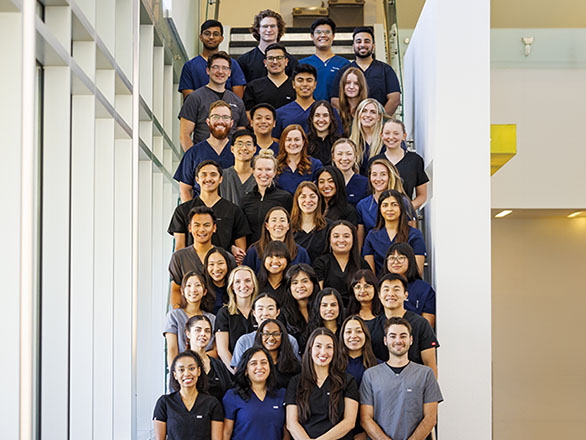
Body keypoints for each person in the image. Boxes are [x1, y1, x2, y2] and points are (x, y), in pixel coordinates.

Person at [360, 317, 443, 440]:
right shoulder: (370, 375)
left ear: (411, 340)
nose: (398, 340)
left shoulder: (426, 374)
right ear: (385, 340)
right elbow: (365, 419)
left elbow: (430, 419)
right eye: (392, 336)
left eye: (403, 336)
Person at [168, 160, 250, 265]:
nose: (208, 179)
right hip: (193, 271)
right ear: (197, 179)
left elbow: (240, 251)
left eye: (213, 175)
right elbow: (179, 248)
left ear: (221, 179)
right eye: (204, 175)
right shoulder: (183, 210)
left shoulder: (233, 210)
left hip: (222, 271)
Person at [285, 328, 359, 440]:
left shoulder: (347, 381)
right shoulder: (296, 382)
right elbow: (291, 423)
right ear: (310, 349)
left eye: (329, 347)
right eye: (318, 346)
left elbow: (349, 422)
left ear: (335, 351)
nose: (323, 352)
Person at [367, 274, 438, 376]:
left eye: (396, 289)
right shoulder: (370, 326)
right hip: (381, 387)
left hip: (414, 384)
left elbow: (429, 364)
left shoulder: (420, 323)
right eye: (386, 290)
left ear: (406, 295)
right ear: (379, 295)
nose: (391, 294)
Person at [178, 54, 248, 149]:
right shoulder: (194, 98)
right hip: (203, 158)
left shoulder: (237, 101)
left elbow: (241, 136)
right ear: (208, 70)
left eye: (225, 68)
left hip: (231, 159)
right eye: (215, 67)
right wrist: (193, 159)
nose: (220, 71)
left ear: (229, 72)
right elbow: (184, 135)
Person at [174, 101, 237, 202]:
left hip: (232, 212)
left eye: (225, 117)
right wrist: (192, 214)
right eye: (215, 117)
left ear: (231, 123)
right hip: (201, 212)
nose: (220, 121)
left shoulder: (238, 153)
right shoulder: (193, 153)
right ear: (208, 122)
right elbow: (185, 190)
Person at [153, 351, 223, 440]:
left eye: (191, 368)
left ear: (198, 371)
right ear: (175, 375)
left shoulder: (212, 403)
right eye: (181, 370)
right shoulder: (164, 402)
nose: (187, 374)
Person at [331, 26, 401, 116]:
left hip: (378, 125)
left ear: (373, 45)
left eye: (367, 41)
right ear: (353, 46)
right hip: (351, 125)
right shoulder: (344, 71)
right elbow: (335, 100)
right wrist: (352, 119)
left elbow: (394, 99)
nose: (363, 45)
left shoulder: (386, 70)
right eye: (358, 41)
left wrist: (379, 119)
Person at [222, 347, 288, 440]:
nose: (260, 367)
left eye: (264, 362)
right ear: (245, 370)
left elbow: (286, 432)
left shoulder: (282, 394)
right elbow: (226, 433)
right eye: (253, 363)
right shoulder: (232, 396)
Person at [363, 190, 426, 275]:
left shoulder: (414, 235)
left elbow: (418, 271)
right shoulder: (372, 236)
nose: (389, 209)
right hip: (382, 286)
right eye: (385, 205)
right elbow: (371, 273)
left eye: (394, 205)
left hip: (408, 285)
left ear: (401, 208)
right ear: (380, 209)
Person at [178, 20, 246, 99]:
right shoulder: (189, 66)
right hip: (199, 110)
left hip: (226, 110)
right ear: (201, 37)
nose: (211, 37)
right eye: (207, 33)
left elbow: (237, 100)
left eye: (216, 34)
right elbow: (189, 99)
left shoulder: (232, 64)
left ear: (221, 38)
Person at [231, 292, 300, 368]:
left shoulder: (290, 340)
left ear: (277, 312)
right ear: (254, 313)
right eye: (260, 309)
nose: (265, 313)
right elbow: (237, 371)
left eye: (270, 308)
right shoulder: (244, 341)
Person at [164, 271, 216, 371]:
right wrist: (175, 373)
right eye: (188, 285)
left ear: (204, 291)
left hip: (206, 370)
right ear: (182, 291)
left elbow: (215, 351)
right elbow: (172, 349)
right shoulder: (174, 316)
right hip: (181, 371)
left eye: (197, 285)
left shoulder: (212, 318)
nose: (193, 289)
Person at [356, 158, 415, 245]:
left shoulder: (404, 202)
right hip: (372, 255)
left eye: (383, 174)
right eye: (374, 174)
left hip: (399, 254)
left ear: (390, 176)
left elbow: (413, 237)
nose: (378, 179)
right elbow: (360, 243)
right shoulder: (363, 205)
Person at [168, 206, 219, 308]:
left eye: (206, 225)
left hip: (218, 317)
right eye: (197, 225)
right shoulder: (179, 257)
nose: (202, 229)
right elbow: (175, 289)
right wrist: (180, 314)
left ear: (214, 228)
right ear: (190, 228)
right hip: (189, 318)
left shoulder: (224, 257)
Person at [374, 118, 429, 209]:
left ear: (404, 136)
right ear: (381, 135)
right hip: (378, 215)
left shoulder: (415, 160)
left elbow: (422, 195)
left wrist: (406, 209)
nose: (391, 137)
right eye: (387, 133)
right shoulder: (375, 162)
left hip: (405, 217)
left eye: (396, 133)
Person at [313, 221, 370, 306]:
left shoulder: (362, 264)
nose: (341, 240)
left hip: (356, 312)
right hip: (330, 311)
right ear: (329, 239)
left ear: (353, 239)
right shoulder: (321, 263)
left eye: (346, 236)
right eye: (336, 236)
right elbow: (319, 296)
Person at [242, 149, 293, 244]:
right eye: (260, 169)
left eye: (268, 169)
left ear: (274, 172)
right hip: (254, 252)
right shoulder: (246, 199)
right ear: (253, 172)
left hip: (277, 251)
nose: (264, 174)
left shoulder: (285, 197)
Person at [381, 242, 436, 327]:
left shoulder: (424, 289)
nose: (396, 262)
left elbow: (427, 325)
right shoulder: (380, 286)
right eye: (391, 258)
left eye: (401, 258)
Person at [215, 266, 259, 371]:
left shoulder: (260, 311)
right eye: (237, 282)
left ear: (254, 285)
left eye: (248, 280)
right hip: (233, 373)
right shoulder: (224, 313)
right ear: (232, 287)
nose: (243, 285)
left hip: (259, 370)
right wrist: (238, 373)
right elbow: (222, 351)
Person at [242, 207, 311, 272]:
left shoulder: (300, 253)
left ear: (288, 226)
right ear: (267, 226)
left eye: (282, 220)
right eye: (274, 220)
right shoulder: (254, 251)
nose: (278, 224)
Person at [237, 9, 298, 83]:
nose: (269, 30)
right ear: (258, 30)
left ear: (278, 29)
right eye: (265, 26)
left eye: (272, 26)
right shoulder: (244, 61)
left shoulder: (291, 62)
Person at [299, 18, 350, 101]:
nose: (323, 35)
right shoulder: (302, 64)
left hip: (336, 112)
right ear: (312, 36)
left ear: (333, 36)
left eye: (327, 32)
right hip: (309, 112)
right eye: (318, 32)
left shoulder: (344, 64)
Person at [185, 315, 234, 402]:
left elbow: (229, 392)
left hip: (217, 414)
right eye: (198, 330)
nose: (203, 334)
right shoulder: (181, 363)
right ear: (188, 333)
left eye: (207, 331)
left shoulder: (218, 365)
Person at [243, 43, 296, 111]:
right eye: (270, 58)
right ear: (265, 62)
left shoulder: (296, 86)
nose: (275, 62)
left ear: (286, 61)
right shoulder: (253, 87)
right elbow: (248, 112)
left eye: (279, 58)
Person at [275, 124, 324, 194]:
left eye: (297, 139)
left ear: (303, 142)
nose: (293, 143)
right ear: (283, 142)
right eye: (288, 140)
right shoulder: (275, 165)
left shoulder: (315, 165)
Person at [254, 319, 301, 388]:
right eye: (266, 334)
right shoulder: (251, 361)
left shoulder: (293, 364)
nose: (271, 338)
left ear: (282, 336)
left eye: (276, 334)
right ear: (260, 335)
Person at [282, 264, 319, 348]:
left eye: (305, 281)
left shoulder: (323, 309)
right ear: (289, 288)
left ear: (313, 283)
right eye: (295, 283)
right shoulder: (283, 314)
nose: (300, 286)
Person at [290, 182, 330, 262]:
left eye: (312, 196)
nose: (308, 200)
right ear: (297, 200)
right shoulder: (288, 227)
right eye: (303, 197)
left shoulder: (329, 226)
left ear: (318, 199)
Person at [218, 128, 257, 206]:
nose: (244, 148)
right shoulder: (222, 176)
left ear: (254, 149)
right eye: (239, 144)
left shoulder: (259, 176)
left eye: (248, 144)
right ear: (232, 149)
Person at [349, 98, 386, 175]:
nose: (368, 115)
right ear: (359, 115)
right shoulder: (351, 142)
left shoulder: (385, 141)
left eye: (373, 112)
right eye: (364, 111)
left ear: (379, 117)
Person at [340, 315, 379, 386]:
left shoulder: (378, 366)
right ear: (342, 336)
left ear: (365, 335)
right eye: (348, 332)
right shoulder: (334, 365)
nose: (353, 336)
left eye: (358, 331)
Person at [331, 138, 369, 207]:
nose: (344, 158)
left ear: (355, 157)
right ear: (333, 157)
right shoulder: (327, 182)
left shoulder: (365, 183)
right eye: (340, 154)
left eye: (349, 154)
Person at [335, 67, 368, 136]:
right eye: (348, 83)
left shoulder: (368, 111)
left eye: (356, 83)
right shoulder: (337, 114)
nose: (351, 86)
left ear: (361, 86)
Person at [203, 247, 236, 314]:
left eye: (220, 263)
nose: (216, 269)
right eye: (211, 264)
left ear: (227, 264)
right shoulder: (202, 287)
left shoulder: (235, 287)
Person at [307, 100, 341, 166]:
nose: (321, 120)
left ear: (331, 119)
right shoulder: (304, 142)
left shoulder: (339, 142)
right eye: (317, 115)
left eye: (325, 115)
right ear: (312, 118)